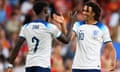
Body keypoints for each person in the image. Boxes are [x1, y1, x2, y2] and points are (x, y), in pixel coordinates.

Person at [7, 1, 73, 72]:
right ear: (45, 10)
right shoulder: (49, 27)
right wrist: (72, 22)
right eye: (48, 10)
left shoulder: (26, 27)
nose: (49, 13)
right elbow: (66, 40)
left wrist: (10, 65)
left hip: (29, 65)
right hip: (43, 65)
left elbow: (17, 47)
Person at [66, 2, 116, 72]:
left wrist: (113, 61)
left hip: (93, 67)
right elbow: (68, 39)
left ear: (93, 14)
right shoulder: (78, 25)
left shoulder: (102, 28)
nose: (84, 13)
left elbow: (110, 47)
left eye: (87, 11)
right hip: (77, 66)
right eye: (83, 10)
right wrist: (70, 21)